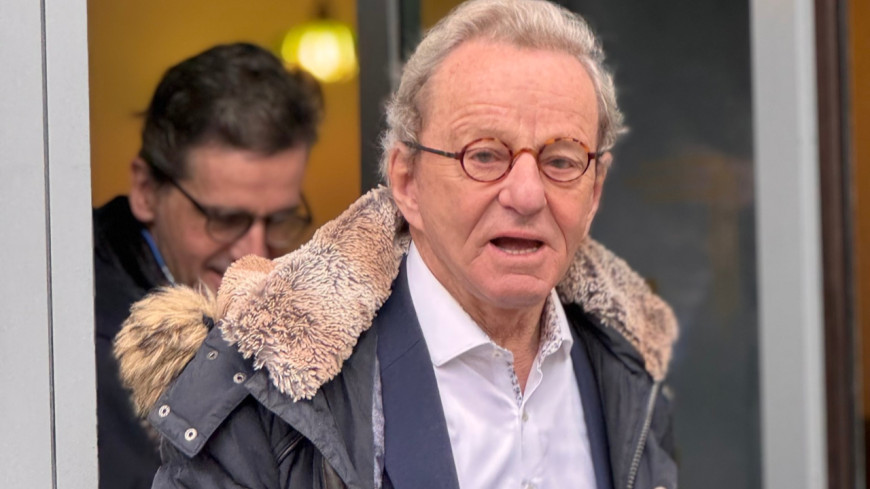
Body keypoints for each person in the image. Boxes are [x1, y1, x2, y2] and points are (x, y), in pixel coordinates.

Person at [115, 1, 679, 487]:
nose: (527, 194)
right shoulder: (268, 393)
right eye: (484, 155)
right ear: (406, 180)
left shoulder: (631, 370)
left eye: (561, 161)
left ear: (595, 188)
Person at [94, 42, 322, 489]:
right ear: (146, 190)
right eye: (224, 218)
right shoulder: (79, 340)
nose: (254, 252)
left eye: (279, 219)